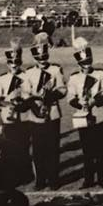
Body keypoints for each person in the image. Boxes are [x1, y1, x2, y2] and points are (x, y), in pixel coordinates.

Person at [21, 33, 67, 190]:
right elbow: (25, 93)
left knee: (53, 148)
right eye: (39, 59)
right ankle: (40, 179)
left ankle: (54, 179)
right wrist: (35, 101)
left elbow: (62, 89)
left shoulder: (55, 70)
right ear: (35, 58)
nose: (42, 61)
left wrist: (49, 96)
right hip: (35, 115)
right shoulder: (28, 73)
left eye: (44, 57)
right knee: (38, 149)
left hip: (52, 112)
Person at [67, 38, 103, 188]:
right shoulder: (74, 77)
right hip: (83, 117)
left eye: (88, 63)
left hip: (99, 115)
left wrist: (93, 101)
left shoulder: (100, 74)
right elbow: (70, 97)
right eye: (83, 64)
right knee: (87, 151)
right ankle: (88, 179)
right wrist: (79, 103)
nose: (87, 67)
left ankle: (102, 179)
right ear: (79, 64)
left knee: (100, 150)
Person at [0, 39, 29, 151]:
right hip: (7, 116)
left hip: (23, 117)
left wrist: (22, 100)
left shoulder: (26, 76)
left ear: (20, 62)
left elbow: (29, 94)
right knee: (8, 146)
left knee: (23, 146)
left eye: (16, 62)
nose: (14, 65)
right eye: (11, 63)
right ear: (7, 63)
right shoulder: (2, 77)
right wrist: (5, 102)